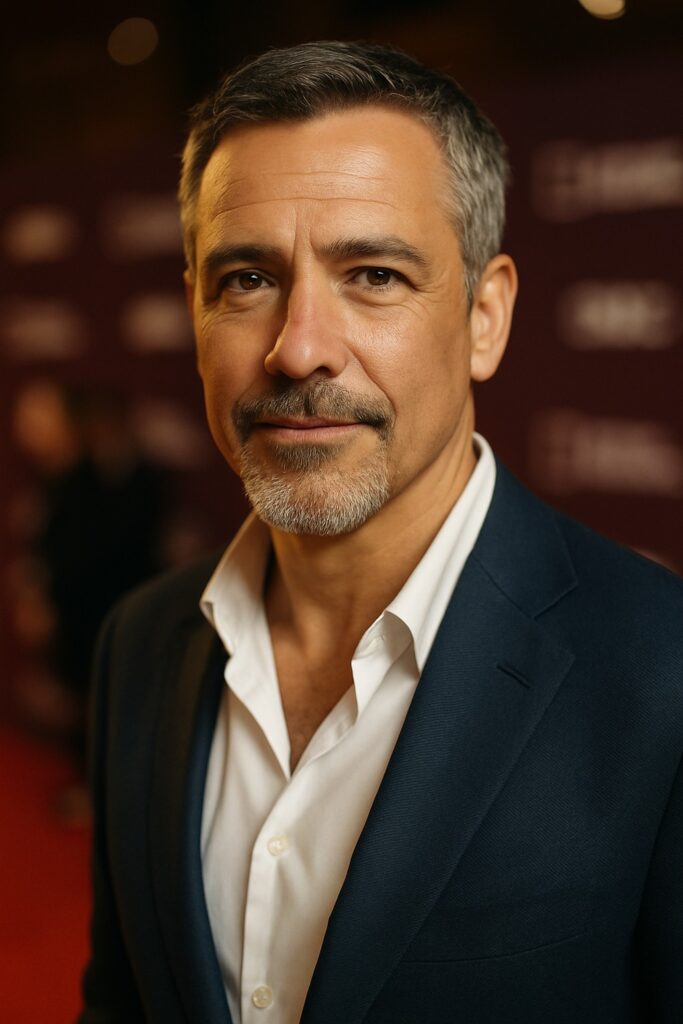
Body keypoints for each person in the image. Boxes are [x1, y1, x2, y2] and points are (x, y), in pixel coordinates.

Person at [79, 41, 683, 1024]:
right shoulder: (139, 643)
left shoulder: (660, 672)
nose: (298, 347)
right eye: (244, 280)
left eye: (371, 274)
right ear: (192, 306)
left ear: (484, 317)